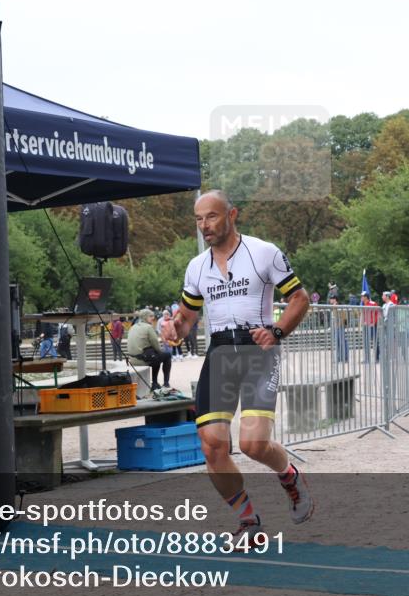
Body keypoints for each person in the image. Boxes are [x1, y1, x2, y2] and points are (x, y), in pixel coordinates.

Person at [164, 190, 313, 541]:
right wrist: (174, 328)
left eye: (212, 217)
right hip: (220, 353)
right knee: (211, 444)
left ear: (233, 215)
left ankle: (289, 475)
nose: (205, 226)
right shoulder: (196, 267)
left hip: (258, 351)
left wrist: (277, 331)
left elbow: (298, 298)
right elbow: (186, 317)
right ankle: (249, 521)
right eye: (199, 219)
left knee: (252, 444)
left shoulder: (264, 252)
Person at [127, 309, 173, 389]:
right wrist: (160, 350)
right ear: (145, 317)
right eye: (150, 316)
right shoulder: (148, 327)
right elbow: (156, 345)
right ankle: (165, 383)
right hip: (142, 359)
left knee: (156, 356)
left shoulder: (133, 327)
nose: (153, 318)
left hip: (133, 359)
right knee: (167, 355)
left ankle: (155, 383)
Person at [360, 291, 379, 362]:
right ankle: (367, 358)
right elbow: (363, 315)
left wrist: (373, 323)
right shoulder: (363, 304)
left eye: (362, 296)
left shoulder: (373, 304)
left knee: (375, 341)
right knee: (366, 342)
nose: (361, 298)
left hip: (372, 325)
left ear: (366, 297)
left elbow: (378, 314)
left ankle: (377, 358)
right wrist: (362, 323)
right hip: (366, 325)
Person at [329, 295, 349, 362]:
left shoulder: (338, 307)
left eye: (331, 299)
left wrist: (340, 324)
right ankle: (339, 357)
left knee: (342, 342)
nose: (330, 300)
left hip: (340, 327)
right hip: (336, 327)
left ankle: (344, 357)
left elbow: (343, 317)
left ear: (335, 300)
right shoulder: (333, 307)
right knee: (337, 343)